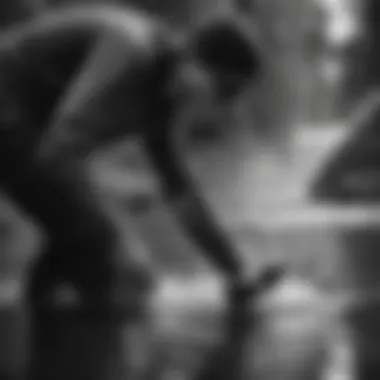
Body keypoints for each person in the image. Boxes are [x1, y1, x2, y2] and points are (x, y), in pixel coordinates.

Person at [0, 4, 274, 379]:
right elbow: (60, 144)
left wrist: (236, 274)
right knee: (106, 252)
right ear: (193, 56)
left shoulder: (160, 96)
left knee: (83, 240)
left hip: (27, 126)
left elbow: (181, 196)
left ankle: (43, 330)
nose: (221, 105)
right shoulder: (129, 50)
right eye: (224, 89)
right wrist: (120, 189)